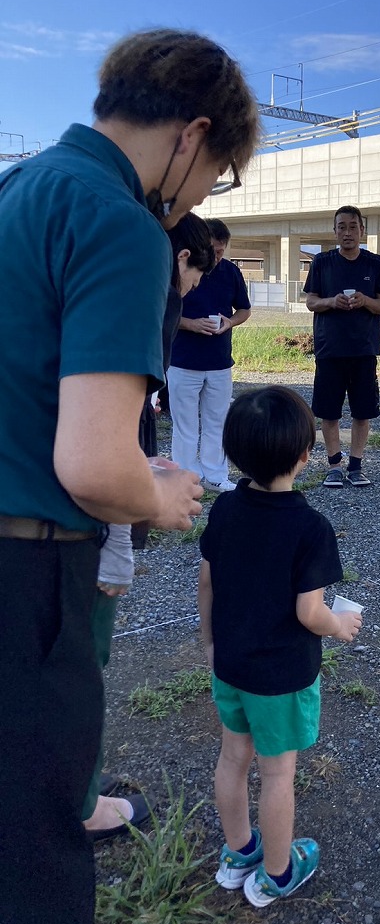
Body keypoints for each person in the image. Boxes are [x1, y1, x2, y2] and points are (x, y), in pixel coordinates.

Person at [0, 28, 259, 924]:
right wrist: (161, 492)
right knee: (32, 854)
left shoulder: (19, 186)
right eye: (216, 172)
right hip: (27, 573)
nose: (197, 198)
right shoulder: (118, 220)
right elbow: (94, 467)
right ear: (192, 135)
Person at [198, 386, 362, 909]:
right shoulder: (310, 528)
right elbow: (308, 612)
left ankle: (239, 851)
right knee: (277, 773)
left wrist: (209, 643)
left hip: (230, 664)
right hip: (280, 677)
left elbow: (207, 583)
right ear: (304, 456)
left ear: (233, 453)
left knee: (232, 758)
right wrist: (339, 624)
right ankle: (277, 871)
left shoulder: (224, 509)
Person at [84, 215, 215, 841]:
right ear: (181, 258)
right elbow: (102, 436)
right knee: (80, 661)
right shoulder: (149, 290)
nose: (189, 290)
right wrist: (130, 524)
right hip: (80, 523)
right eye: (195, 274)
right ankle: (80, 802)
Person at [303, 205, 380, 487]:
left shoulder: (376, 263)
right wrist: (332, 301)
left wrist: (365, 301)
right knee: (328, 411)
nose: (348, 232)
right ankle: (334, 465)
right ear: (335, 231)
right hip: (330, 348)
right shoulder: (322, 262)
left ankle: (356, 465)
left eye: (353, 226)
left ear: (362, 230)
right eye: (342, 227)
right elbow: (311, 301)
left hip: (364, 349)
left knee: (362, 411)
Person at [168, 218, 252, 493]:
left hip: (219, 361)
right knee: (185, 425)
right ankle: (185, 478)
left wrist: (230, 322)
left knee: (217, 421)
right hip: (182, 360)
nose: (216, 257)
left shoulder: (230, 272)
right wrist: (191, 324)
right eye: (213, 250)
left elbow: (244, 310)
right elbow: (163, 310)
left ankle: (216, 476)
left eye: (221, 251)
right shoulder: (180, 269)